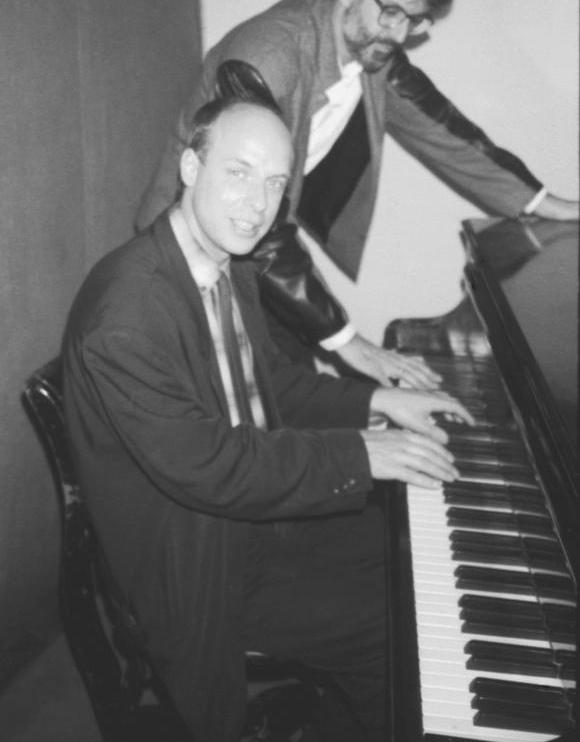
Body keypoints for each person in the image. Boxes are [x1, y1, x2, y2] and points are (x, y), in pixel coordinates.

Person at [62, 93, 474, 742]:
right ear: (191, 167)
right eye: (239, 171)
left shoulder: (229, 263)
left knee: (415, 559)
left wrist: (377, 401)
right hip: (200, 558)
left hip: (258, 518)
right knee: (395, 624)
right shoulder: (127, 318)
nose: (259, 203)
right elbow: (213, 465)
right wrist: (362, 453)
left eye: (276, 182)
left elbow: (273, 383)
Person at [136, 0, 578, 390]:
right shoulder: (264, 61)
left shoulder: (371, 49)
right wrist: (349, 342)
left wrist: (548, 204)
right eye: (391, 12)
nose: (401, 34)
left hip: (253, 243)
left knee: (298, 394)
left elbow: (448, 134)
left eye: (417, 19)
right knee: (268, 413)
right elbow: (248, 209)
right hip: (188, 261)